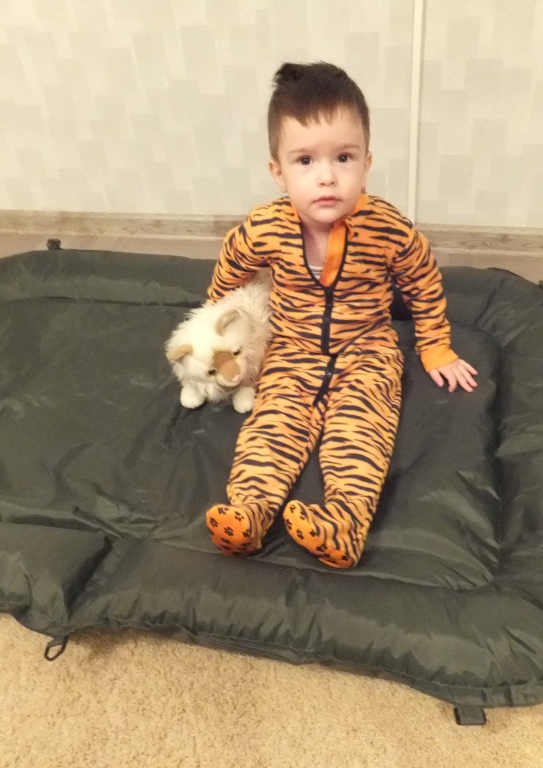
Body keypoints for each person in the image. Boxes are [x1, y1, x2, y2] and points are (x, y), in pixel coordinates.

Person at [204, 61, 477, 568]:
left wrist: (435, 345)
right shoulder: (265, 226)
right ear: (278, 172)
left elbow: (423, 279)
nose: (327, 176)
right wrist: (216, 326)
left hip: (367, 348)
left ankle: (344, 524)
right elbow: (232, 266)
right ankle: (249, 514)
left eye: (344, 158)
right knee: (272, 425)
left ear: (366, 164)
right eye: (305, 160)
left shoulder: (387, 227)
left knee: (361, 430)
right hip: (292, 347)